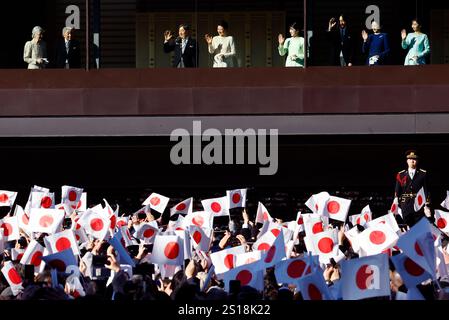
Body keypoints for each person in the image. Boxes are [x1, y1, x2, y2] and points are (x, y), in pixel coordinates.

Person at [394, 150, 431, 227]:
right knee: (406, 225)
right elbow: (397, 190)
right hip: (405, 204)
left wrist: (427, 204)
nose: (412, 161)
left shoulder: (423, 174)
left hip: (419, 203)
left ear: (417, 161)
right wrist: (396, 201)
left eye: (414, 159)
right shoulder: (401, 174)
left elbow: (426, 190)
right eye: (410, 159)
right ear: (407, 161)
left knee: (418, 225)